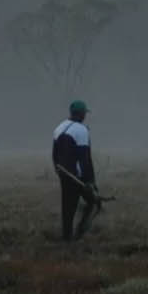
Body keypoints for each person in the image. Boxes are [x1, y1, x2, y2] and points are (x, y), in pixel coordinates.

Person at [51, 99, 102, 241]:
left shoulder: (59, 127)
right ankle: (80, 231)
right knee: (93, 201)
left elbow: (54, 154)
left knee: (68, 208)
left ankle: (67, 237)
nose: (85, 116)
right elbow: (85, 158)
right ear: (80, 114)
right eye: (84, 113)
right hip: (78, 177)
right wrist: (90, 181)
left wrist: (58, 170)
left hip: (64, 174)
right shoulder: (81, 130)